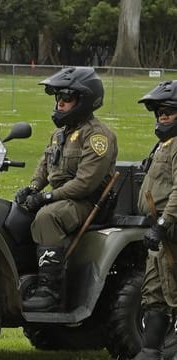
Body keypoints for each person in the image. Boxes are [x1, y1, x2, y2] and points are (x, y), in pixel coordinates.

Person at [15, 67, 118, 312]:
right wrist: (30, 189)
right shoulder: (59, 134)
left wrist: (46, 197)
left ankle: (50, 290)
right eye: (58, 98)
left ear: (84, 101)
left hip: (86, 202)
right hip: (62, 198)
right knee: (13, 212)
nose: (60, 104)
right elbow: (44, 169)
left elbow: (85, 183)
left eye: (66, 99)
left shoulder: (97, 137)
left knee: (47, 216)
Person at [133, 80, 177, 360]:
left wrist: (162, 225)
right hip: (160, 233)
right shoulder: (163, 145)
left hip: (170, 231)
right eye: (159, 111)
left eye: (169, 111)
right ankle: (150, 352)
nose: (162, 115)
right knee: (155, 292)